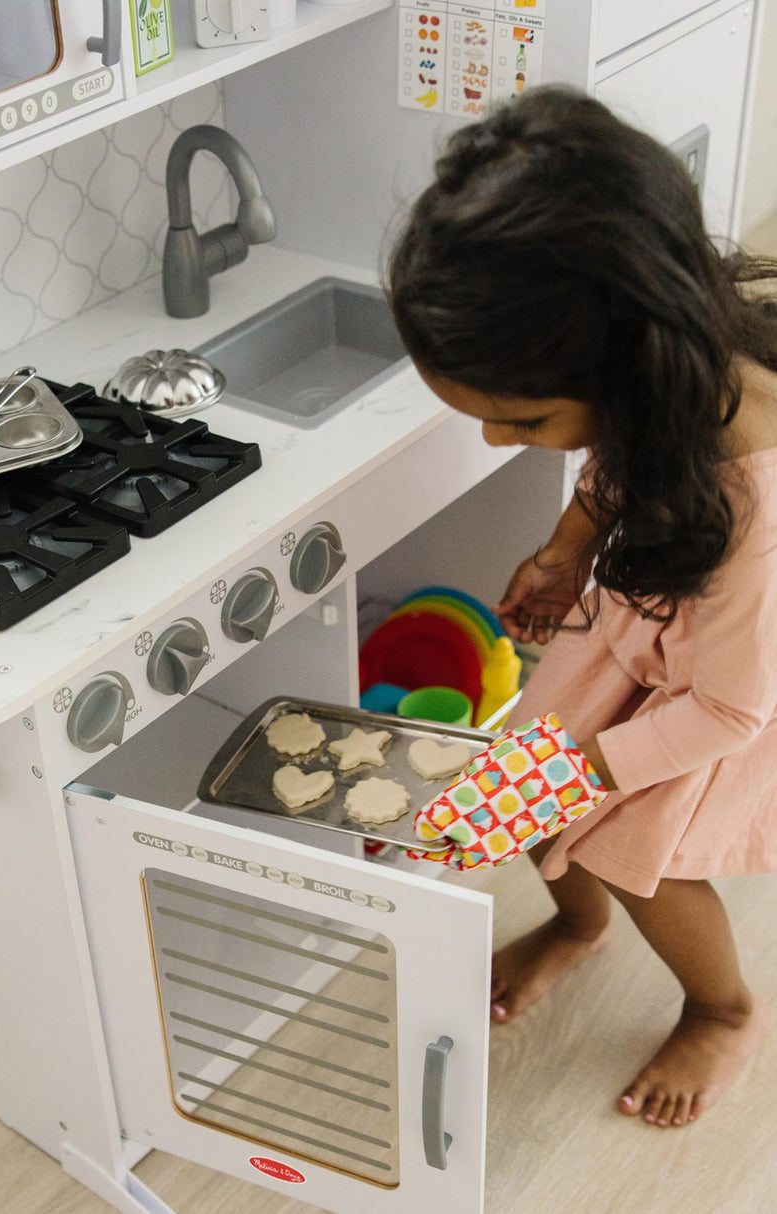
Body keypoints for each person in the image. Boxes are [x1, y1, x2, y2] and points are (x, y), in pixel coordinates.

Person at [387, 85, 775, 1129]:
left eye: (519, 418)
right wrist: (567, 548)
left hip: (722, 689)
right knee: (526, 780)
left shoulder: (758, 497)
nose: (495, 441)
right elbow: (623, 457)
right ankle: (572, 926)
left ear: (626, 367)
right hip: (646, 628)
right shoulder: (660, 381)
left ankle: (721, 1003)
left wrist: (571, 777)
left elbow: (730, 711)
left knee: (631, 852)